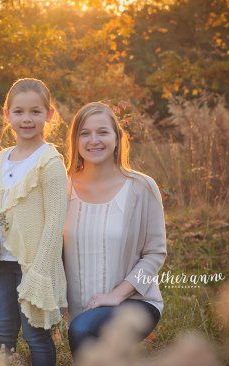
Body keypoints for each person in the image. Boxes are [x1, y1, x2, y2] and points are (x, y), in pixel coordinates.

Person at [0, 78, 68, 366]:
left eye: (35, 111)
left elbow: (55, 223)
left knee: (35, 334)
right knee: (2, 331)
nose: (26, 119)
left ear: (49, 115)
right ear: (8, 115)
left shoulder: (50, 162)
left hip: (34, 265)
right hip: (2, 263)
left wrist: (38, 273)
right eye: (19, 111)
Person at [63, 102, 167, 359]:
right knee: (85, 330)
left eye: (103, 132)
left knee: (85, 330)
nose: (94, 140)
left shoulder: (141, 188)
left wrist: (116, 295)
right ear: (75, 141)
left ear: (118, 138)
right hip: (81, 311)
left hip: (135, 303)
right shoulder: (61, 189)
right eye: (85, 133)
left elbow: (155, 254)